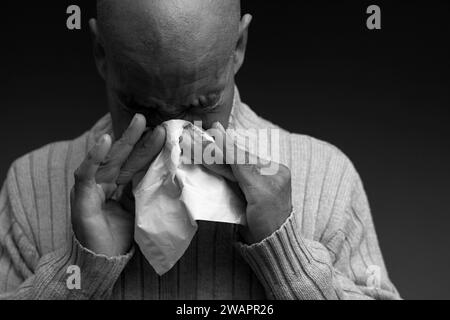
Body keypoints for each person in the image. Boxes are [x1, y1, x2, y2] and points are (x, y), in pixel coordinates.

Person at [0, 0, 400, 300]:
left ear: (238, 46)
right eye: (141, 107)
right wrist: (81, 270)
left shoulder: (326, 175)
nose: (173, 135)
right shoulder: (32, 183)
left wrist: (287, 254)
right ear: (101, 53)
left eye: (200, 104)